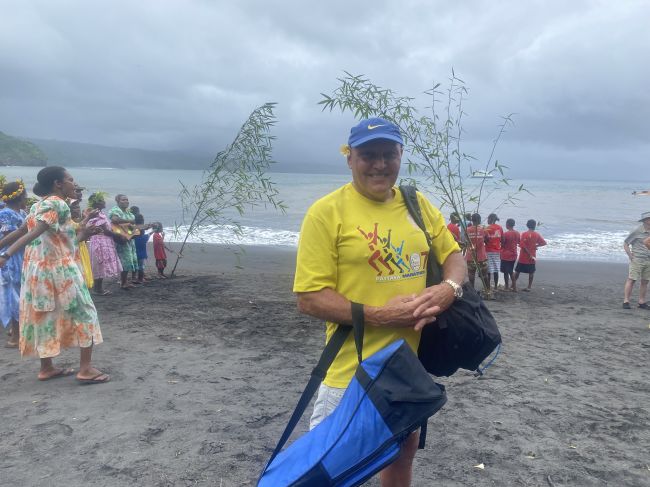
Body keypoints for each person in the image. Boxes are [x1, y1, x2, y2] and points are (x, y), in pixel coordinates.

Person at [293, 117, 466, 486]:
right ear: (349, 158)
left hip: (408, 369)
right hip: (349, 373)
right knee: (330, 474)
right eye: (368, 155)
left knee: (400, 461)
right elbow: (309, 298)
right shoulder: (327, 212)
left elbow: (454, 256)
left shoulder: (415, 203)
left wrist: (448, 288)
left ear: (401, 155)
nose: (380, 164)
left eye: (389, 154)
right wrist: (383, 315)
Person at [0, 166, 109, 383]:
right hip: (60, 271)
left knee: (44, 316)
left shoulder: (37, 205)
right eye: (70, 179)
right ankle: (85, 369)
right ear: (58, 184)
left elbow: (25, 231)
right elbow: (36, 232)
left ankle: (46, 368)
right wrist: (6, 254)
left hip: (36, 272)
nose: (73, 184)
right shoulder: (58, 204)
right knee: (85, 313)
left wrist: (83, 231)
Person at [0, 181, 28, 347]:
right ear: (20, 197)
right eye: (25, 195)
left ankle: (17, 331)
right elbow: (4, 239)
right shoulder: (5, 214)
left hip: (21, 255)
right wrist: (22, 231)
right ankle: (14, 337)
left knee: (21, 294)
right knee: (13, 296)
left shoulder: (22, 212)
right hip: (10, 258)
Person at [86, 192, 124, 296]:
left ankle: (98, 288)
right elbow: (106, 231)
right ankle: (97, 289)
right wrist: (118, 235)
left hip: (103, 241)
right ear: (97, 203)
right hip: (100, 242)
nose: (104, 202)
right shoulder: (96, 214)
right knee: (99, 263)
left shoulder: (99, 213)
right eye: (102, 200)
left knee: (100, 265)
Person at [109, 194, 140, 290]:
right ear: (117, 201)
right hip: (120, 238)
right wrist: (129, 221)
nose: (126, 201)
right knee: (125, 260)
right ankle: (123, 282)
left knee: (130, 259)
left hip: (129, 238)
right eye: (123, 200)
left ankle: (125, 281)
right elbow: (115, 219)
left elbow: (133, 226)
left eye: (127, 199)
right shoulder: (115, 210)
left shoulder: (129, 212)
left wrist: (138, 228)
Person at [622, 211, 650, 309]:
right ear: (645, 220)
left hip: (648, 260)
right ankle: (626, 301)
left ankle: (641, 302)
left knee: (645, 281)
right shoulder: (637, 231)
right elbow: (626, 243)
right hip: (637, 259)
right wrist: (630, 255)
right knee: (632, 279)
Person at [514, 219, 547, 292]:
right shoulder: (536, 234)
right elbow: (544, 243)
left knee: (517, 271)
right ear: (534, 226)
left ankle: (513, 285)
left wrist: (528, 253)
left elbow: (522, 245)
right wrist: (536, 246)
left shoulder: (524, 234)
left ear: (527, 225)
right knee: (531, 273)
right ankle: (529, 287)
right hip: (532, 257)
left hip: (523, 257)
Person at [69, 200, 96, 290]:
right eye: (75, 208)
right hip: (73, 248)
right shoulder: (68, 222)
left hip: (81, 247)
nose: (78, 210)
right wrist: (87, 218)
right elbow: (77, 230)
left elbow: (82, 234)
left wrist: (90, 233)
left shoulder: (78, 220)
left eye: (78, 208)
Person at [465, 213, 489, 295]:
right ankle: (488, 291)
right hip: (481, 256)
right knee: (485, 275)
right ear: (479, 220)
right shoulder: (483, 229)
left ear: (472, 220)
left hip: (470, 256)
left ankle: (472, 292)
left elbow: (466, 241)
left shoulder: (467, 229)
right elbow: (487, 239)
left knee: (471, 275)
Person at [485, 213, 504, 289]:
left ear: (491, 219)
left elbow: (485, 239)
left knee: (489, 270)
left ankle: (488, 287)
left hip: (488, 251)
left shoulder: (487, 228)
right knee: (496, 269)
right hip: (497, 251)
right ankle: (496, 286)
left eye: (488, 219)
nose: (487, 220)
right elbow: (503, 240)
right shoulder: (500, 228)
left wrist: (487, 242)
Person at [500, 218, 520, 291]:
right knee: (511, 271)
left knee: (506, 272)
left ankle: (507, 287)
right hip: (514, 254)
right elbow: (519, 242)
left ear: (507, 224)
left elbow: (502, 243)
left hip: (505, 255)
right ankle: (514, 287)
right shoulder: (517, 233)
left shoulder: (506, 234)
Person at [132, 213, 151, 283]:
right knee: (141, 267)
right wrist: (154, 230)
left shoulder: (133, 238)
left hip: (134, 254)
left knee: (135, 266)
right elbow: (149, 234)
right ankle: (140, 279)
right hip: (141, 255)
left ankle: (133, 278)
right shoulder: (143, 237)